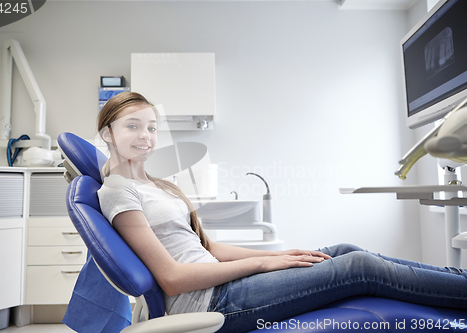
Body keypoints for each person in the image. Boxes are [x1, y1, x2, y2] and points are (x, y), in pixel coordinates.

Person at [96, 91, 467, 332]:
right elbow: (173, 279)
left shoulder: (156, 185)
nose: (145, 136)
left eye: (151, 127)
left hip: (223, 284)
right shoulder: (117, 190)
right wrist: (261, 265)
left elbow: (209, 250)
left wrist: (277, 256)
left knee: (343, 251)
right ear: (108, 132)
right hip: (213, 301)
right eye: (132, 126)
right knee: (361, 269)